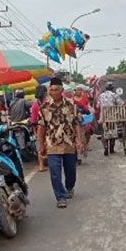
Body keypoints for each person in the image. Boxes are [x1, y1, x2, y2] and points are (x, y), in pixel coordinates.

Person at [37, 77, 83, 208]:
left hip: (69, 144)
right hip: (52, 145)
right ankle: (60, 197)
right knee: (55, 173)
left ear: (61, 90)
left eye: (56, 90)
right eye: (51, 90)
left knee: (71, 171)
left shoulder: (71, 105)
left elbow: (76, 124)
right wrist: (41, 145)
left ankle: (69, 187)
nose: (53, 92)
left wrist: (79, 141)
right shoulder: (44, 107)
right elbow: (41, 127)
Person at [97, 81, 124, 156]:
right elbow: (121, 104)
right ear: (112, 88)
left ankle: (105, 147)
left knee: (104, 132)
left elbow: (97, 106)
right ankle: (111, 149)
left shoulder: (101, 95)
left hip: (103, 117)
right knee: (112, 132)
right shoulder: (114, 95)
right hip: (112, 116)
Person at [31, 85, 48, 172]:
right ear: (45, 93)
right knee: (48, 143)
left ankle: (41, 165)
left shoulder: (35, 104)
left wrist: (34, 131)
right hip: (49, 127)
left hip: (39, 127)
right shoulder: (48, 102)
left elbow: (33, 120)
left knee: (40, 145)